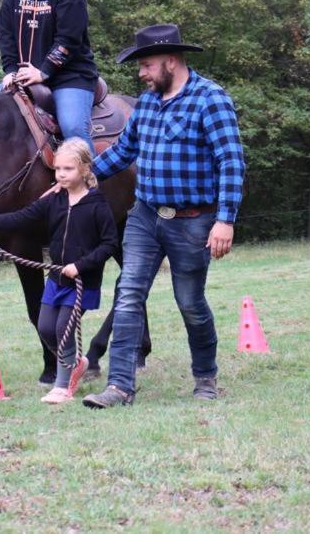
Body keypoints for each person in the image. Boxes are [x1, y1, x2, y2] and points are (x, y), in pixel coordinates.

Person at [81, 24, 246, 409]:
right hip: (145, 216)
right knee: (128, 295)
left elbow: (231, 161)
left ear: (171, 61)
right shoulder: (147, 103)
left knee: (190, 303)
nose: (142, 73)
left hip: (194, 221)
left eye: (147, 65)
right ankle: (119, 387)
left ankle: (205, 377)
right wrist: (83, 177)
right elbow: (124, 151)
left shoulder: (211, 99)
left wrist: (225, 220)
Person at [0, 138, 119, 404]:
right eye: (58, 169)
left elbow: (109, 244)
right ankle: (75, 364)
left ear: (85, 169)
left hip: (81, 281)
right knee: (44, 327)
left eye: (68, 169)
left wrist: (80, 266)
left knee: (63, 329)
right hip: (56, 279)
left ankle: (62, 387)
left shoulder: (97, 205)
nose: (61, 175)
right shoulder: (53, 201)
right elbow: (19, 218)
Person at [0, 0, 100, 153]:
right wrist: (10, 69)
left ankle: (90, 177)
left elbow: (69, 39)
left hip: (70, 77)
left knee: (73, 129)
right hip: (25, 76)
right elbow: (5, 32)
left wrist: (43, 71)